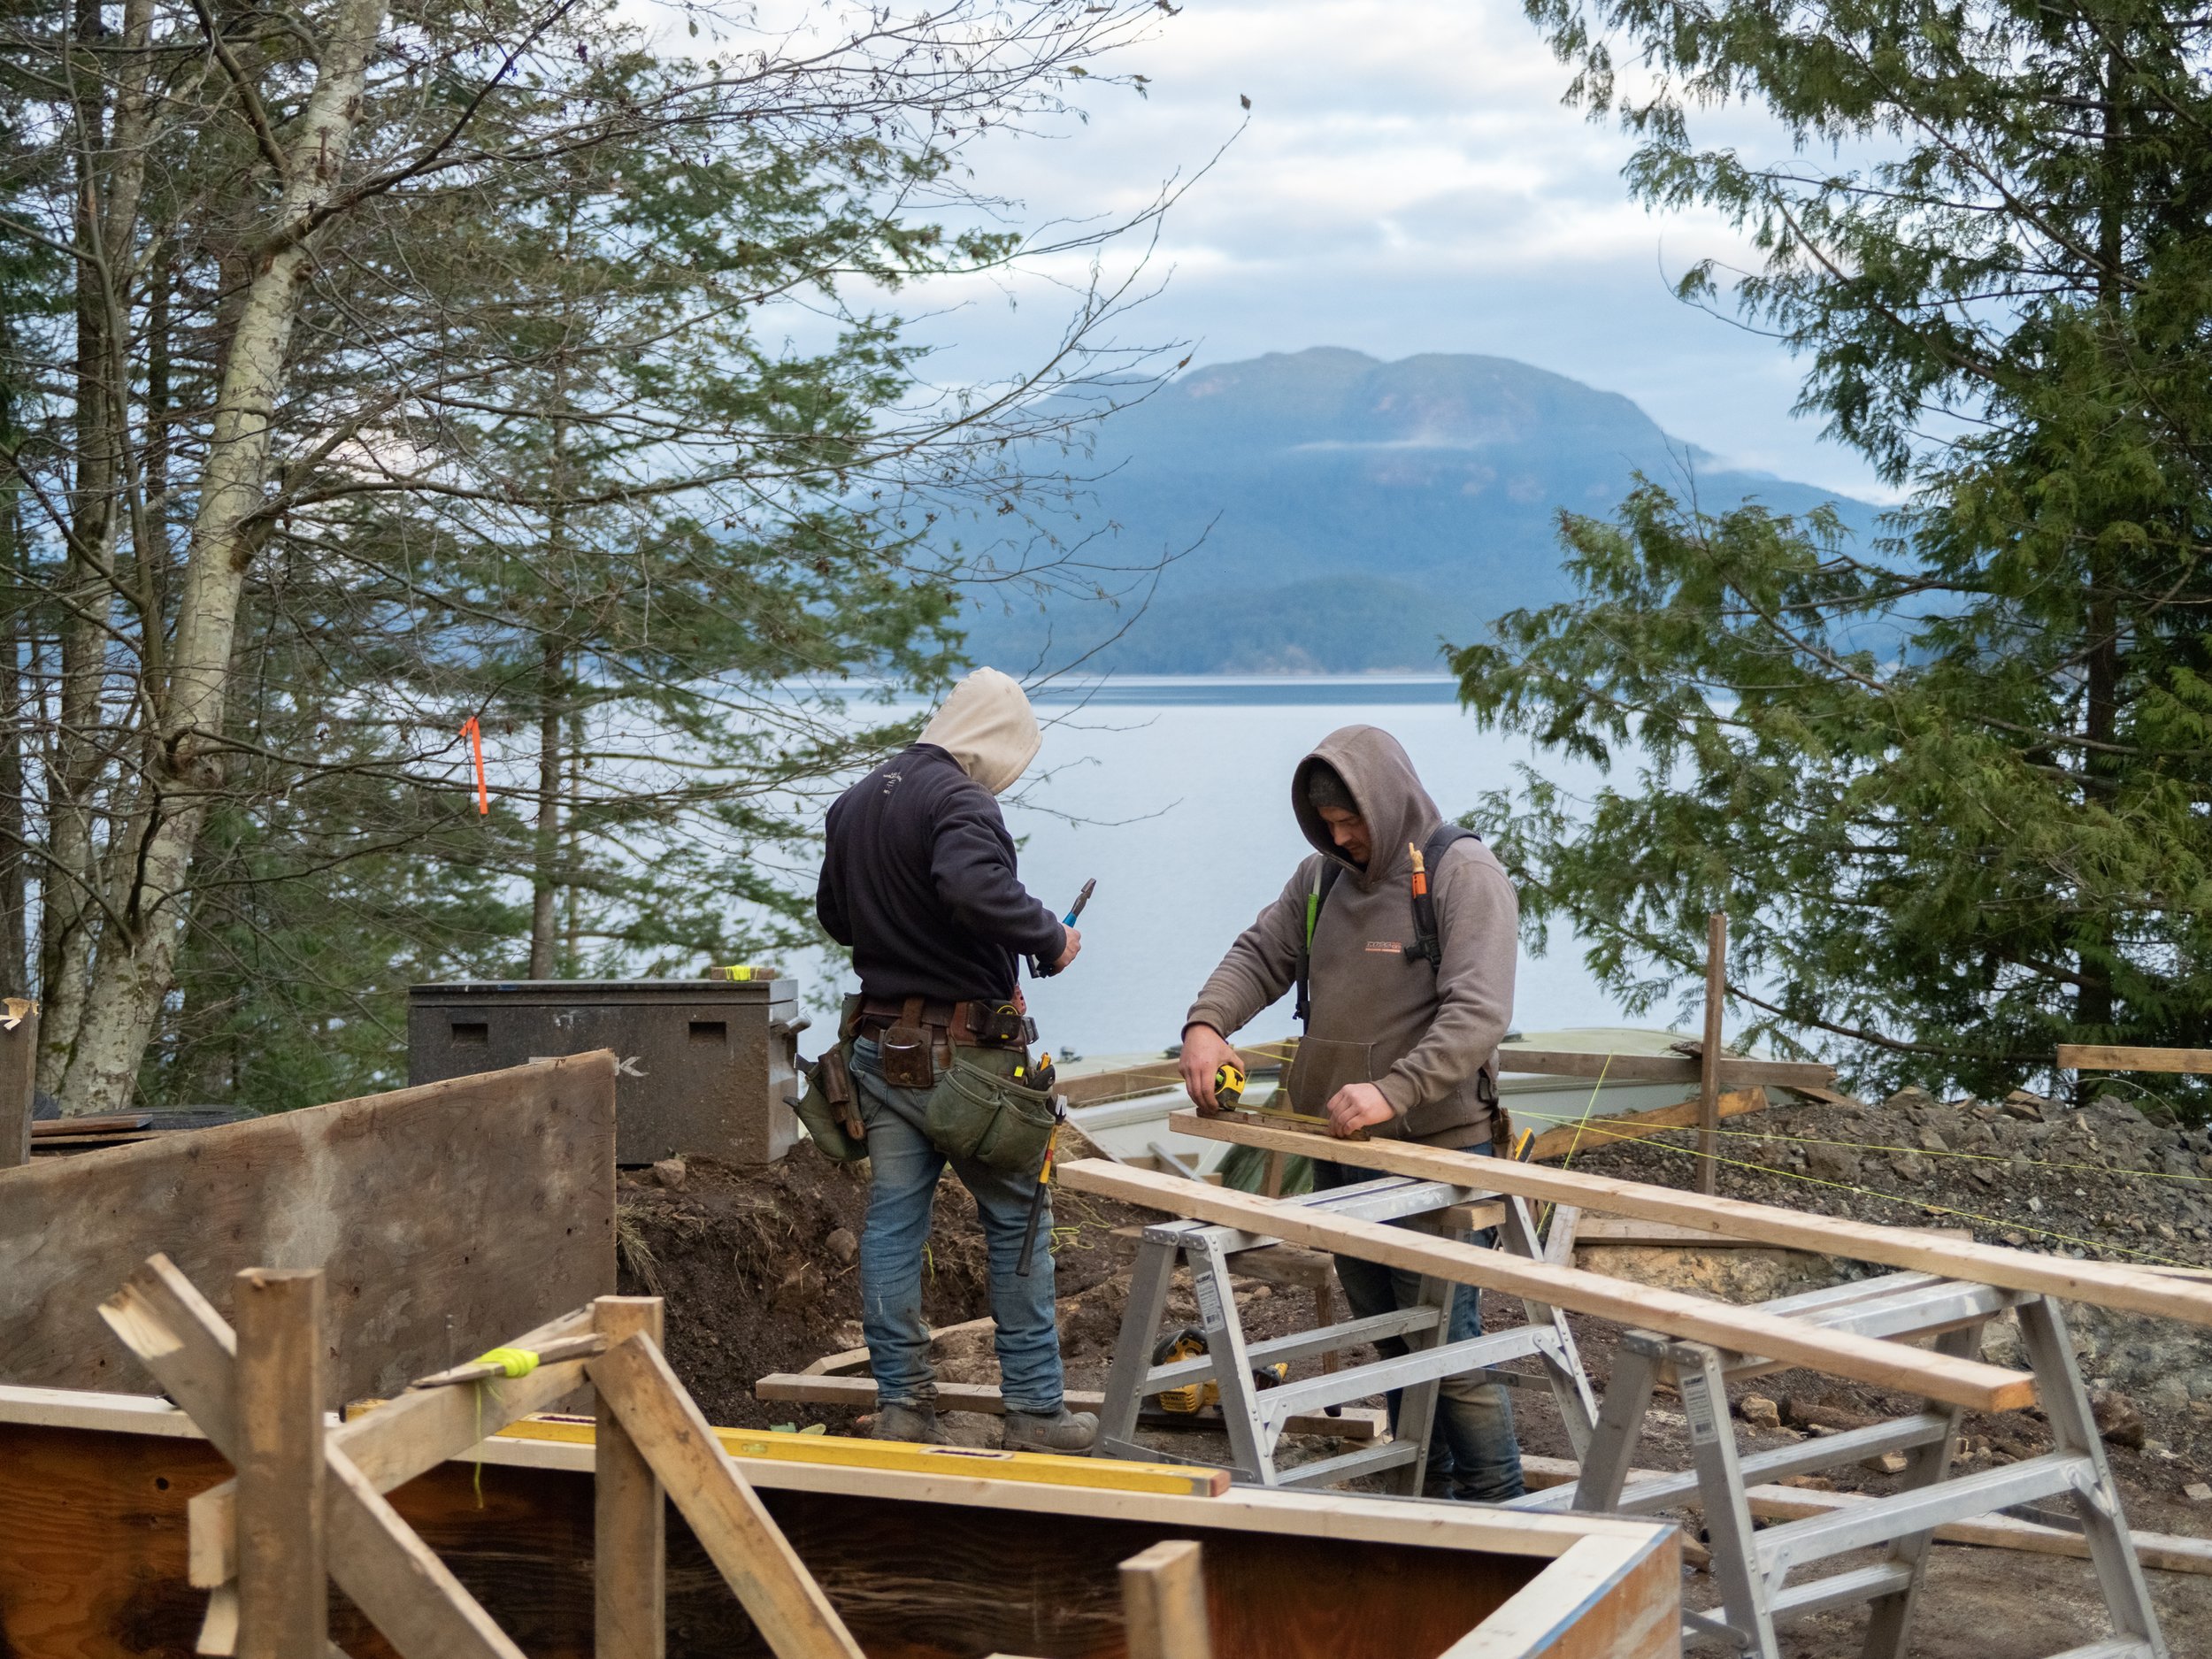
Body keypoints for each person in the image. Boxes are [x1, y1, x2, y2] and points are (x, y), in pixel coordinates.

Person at [1176, 724, 1525, 1501]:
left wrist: (1393, 1090)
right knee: (1389, 1333)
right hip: (1342, 1151)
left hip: (1439, 1153)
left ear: (1389, 798)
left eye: (1352, 822)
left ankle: (1507, 1507)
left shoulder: (1463, 874)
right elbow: (1260, 954)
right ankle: (1426, 1493)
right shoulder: (1322, 878)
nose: (1343, 839)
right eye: (1328, 826)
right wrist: (1206, 1024)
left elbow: (1477, 1014)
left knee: (1447, 1338)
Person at [815, 667, 1096, 1452]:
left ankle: (904, 1402)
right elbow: (973, 888)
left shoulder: (859, 798)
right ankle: (1037, 1410)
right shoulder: (961, 800)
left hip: (880, 1050)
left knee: (894, 1222)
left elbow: (836, 914)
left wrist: (905, 935)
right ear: (994, 741)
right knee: (1017, 1220)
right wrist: (1049, 936)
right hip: (967, 1062)